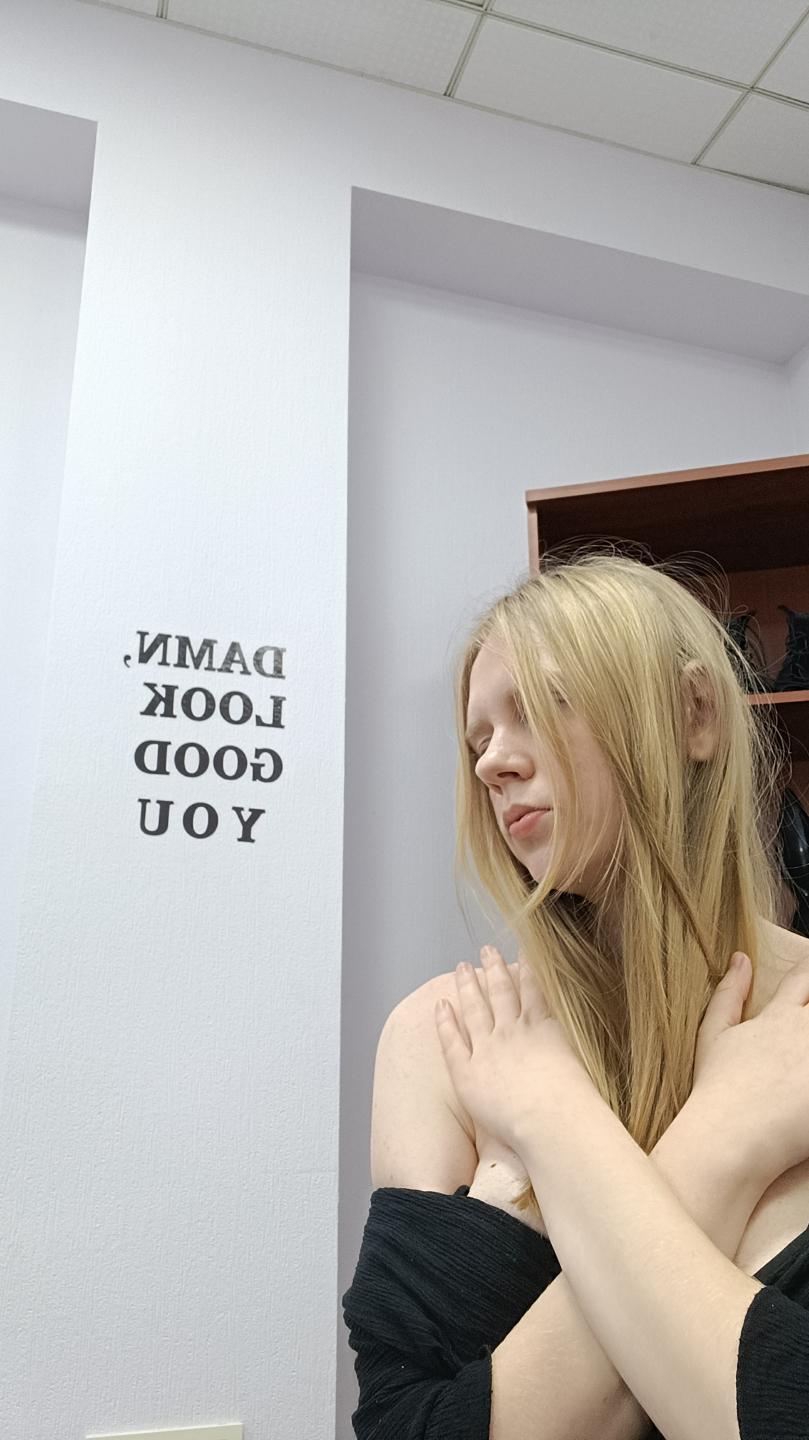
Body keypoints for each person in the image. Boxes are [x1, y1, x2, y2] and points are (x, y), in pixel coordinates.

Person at [342, 548, 809, 1439]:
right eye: (476, 741)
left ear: (694, 714)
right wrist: (724, 1139)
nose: (490, 764)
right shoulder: (446, 1038)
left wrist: (549, 1131)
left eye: (542, 705)